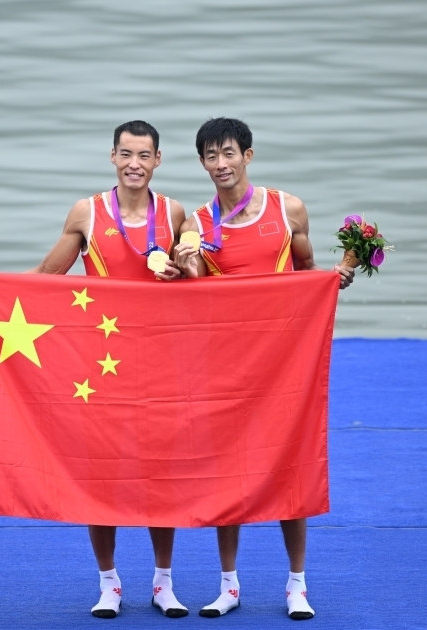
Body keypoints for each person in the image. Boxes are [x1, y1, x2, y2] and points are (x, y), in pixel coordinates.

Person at [0, 120, 187, 619]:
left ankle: (163, 582)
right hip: (101, 366)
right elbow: (46, 275)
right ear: (112, 156)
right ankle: (109, 582)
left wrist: (182, 268)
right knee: (102, 474)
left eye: (144, 155)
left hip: (159, 361)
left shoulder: (175, 213)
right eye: (126, 154)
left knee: (159, 474)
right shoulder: (87, 212)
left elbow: (196, 280)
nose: (134, 164)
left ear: (158, 160)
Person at [173, 117, 354, 621]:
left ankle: (297, 585)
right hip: (226, 366)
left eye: (228, 153)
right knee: (227, 471)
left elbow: (305, 273)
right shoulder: (197, 224)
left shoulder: (287, 209)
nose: (221, 164)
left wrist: (334, 279)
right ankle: (228, 585)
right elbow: (194, 284)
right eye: (211, 156)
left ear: (247, 156)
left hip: (282, 365)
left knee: (290, 470)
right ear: (202, 163)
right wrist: (185, 262)